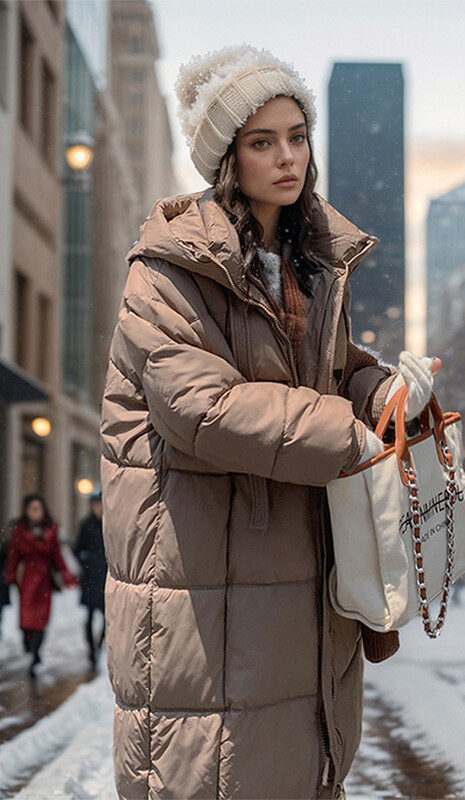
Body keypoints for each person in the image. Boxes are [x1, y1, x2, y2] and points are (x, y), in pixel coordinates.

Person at [100, 44, 435, 800]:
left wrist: (382, 389)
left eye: (297, 136)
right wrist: (354, 438)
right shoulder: (166, 270)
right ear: (225, 157)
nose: (287, 156)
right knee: (215, 768)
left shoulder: (308, 266)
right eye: (262, 141)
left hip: (295, 571)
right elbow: (202, 408)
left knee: (300, 762)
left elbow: (328, 372)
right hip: (202, 576)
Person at [3, 493, 77, 676]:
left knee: (41, 620)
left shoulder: (50, 530)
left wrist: (66, 576)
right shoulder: (19, 531)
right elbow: (13, 555)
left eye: (39, 509)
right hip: (26, 579)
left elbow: (57, 556)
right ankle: (28, 645)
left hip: (44, 580)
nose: (37, 513)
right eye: (33, 509)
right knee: (27, 618)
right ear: (26, 511)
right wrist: (10, 574)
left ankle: (36, 655)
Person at [73, 486, 107, 670]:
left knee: (106, 619)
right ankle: (91, 650)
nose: (98, 508)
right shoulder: (86, 525)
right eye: (95, 504)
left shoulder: (110, 524)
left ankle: (99, 647)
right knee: (88, 618)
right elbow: (77, 549)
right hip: (89, 579)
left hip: (104, 578)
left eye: (100, 504)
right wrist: (86, 560)